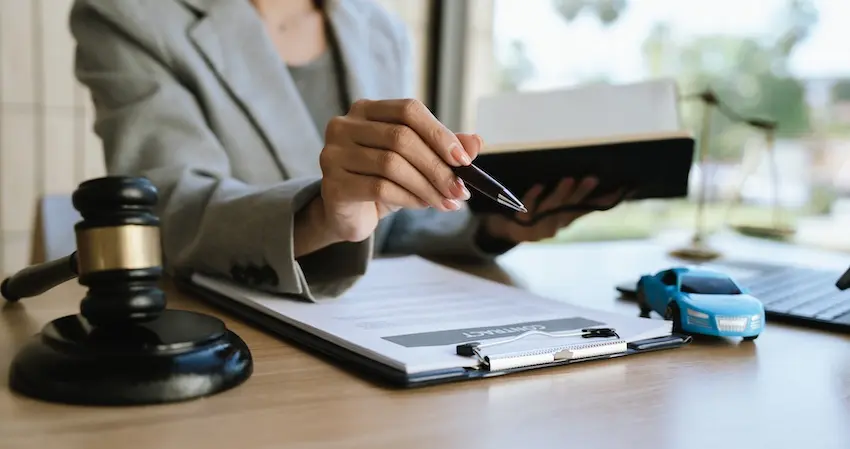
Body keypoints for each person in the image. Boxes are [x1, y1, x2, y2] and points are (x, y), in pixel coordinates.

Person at [69, 0, 622, 300]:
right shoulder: (129, 13)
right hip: (238, 340)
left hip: (376, 336)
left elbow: (389, 221)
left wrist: (491, 230)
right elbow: (169, 206)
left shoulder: (379, 27)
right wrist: (320, 215)